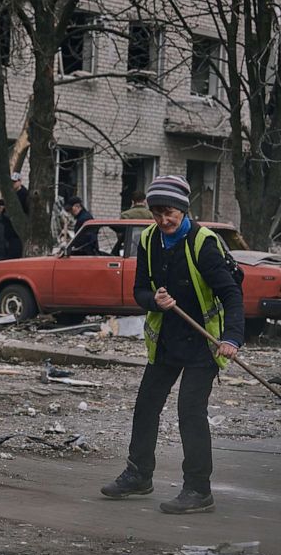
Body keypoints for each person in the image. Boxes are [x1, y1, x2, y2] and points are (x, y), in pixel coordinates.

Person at [100, 175, 243, 514]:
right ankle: (138, 475)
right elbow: (139, 291)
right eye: (157, 213)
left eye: (170, 213)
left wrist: (232, 338)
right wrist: (155, 300)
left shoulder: (203, 243)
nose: (164, 220)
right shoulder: (149, 240)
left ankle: (198, 489)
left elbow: (231, 293)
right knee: (146, 405)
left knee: (190, 413)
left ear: (183, 209)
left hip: (202, 343)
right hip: (166, 339)